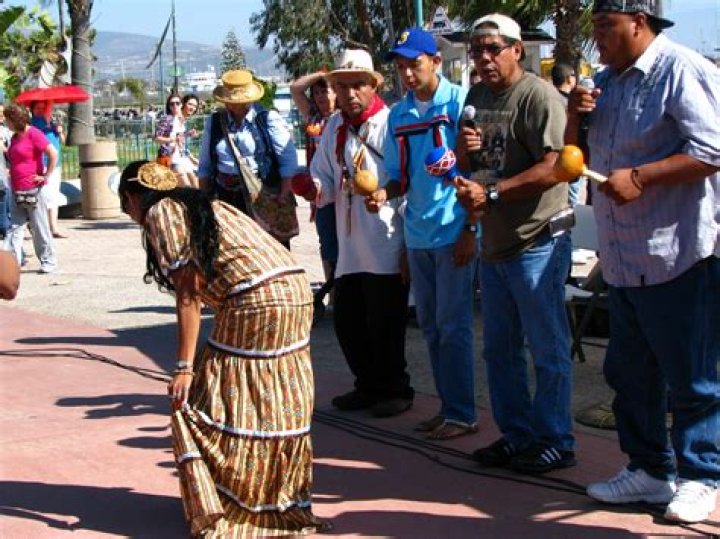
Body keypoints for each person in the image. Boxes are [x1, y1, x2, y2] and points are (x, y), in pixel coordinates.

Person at [117, 160, 329, 537]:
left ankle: (237, 504)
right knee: (272, 401)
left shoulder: (162, 212)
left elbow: (188, 293)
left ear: (133, 198)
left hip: (256, 300)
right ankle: (275, 502)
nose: (130, 215)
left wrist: (183, 368)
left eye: (126, 206)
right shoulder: (204, 204)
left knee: (200, 398)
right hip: (296, 292)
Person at [566, 0, 719, 523]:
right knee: (629, 372)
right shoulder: (606, 83)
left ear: (639, 22)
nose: (597, 39)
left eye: (605, 27)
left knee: (691, 377)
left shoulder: (681, 69)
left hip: (678, 251)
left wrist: (642, 177)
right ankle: (651, 470)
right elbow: (576, 160)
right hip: (622, 255)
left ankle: (702, 475)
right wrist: (575, 115)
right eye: (594, 28)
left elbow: (712, 149)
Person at [454, 14, 575, 472]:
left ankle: (556, 440)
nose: (483, 58)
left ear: (517, 50)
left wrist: (492, 194)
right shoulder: (476, 97)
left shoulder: (538, 96)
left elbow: (556, 167)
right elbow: (471, 165)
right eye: (476, 50)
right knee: (500, 351)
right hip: (496, 242)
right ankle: (517, 434)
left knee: (547, 349)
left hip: (537, 241)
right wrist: (465, 151)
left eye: (493, 48)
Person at [367, 27, 478, 439]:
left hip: (453, 229)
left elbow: (478, 171)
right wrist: (382, 193)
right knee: (430, 327)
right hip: (417, 234)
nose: (408, 75)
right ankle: (449, 408)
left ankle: (463, 413)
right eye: (400, 68)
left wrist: (470, 229)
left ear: (436, 61)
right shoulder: (399, 116)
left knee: (454, 327)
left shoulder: (461, 103)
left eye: (414, 64)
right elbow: (400, 177)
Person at [305, 49, 414, 418]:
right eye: (342, 86)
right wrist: (311, 187)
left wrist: (407, 244)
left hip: (387, 239)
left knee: (385, 321)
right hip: (350, 241)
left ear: (372, 86)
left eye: (357, 85)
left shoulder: (391, 122)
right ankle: (367, 385)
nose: (349, 93)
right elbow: (324, 176)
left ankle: (395, 388)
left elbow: (407, 180)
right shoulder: (335, 126)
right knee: (348, 319)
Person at [197, 70, 300, 249]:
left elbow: (288, 160)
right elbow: (205, 165)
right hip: (226, 196)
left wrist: (284, 193)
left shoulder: (267, 119)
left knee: (268, 246)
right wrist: (203, 199)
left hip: (263, 195)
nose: (231, 103)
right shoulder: (214, 123)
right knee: (232, 248)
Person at [290, 71, 339, 310]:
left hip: (343, 189)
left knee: (348, 242)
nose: (320, 96)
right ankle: (333, 294)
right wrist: (322, 74)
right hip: (319, 191)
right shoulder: (313, 117)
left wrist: (332, 78)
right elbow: (295, 89)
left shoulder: (343, 116)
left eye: (325, 90)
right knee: (327, 242)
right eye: (317, 92)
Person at [3, 104, 58, 274]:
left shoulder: (34, 133)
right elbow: (14, 158)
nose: (6, 122)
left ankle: (48, 261)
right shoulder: (14, 137)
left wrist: (45, 175)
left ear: (15, 120)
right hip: (16, 188)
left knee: (39, 226)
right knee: (15, 228)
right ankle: (12, 264)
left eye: (8, 119)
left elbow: (52, 153)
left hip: (33, 189)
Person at [30, 100, 67, 238]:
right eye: (37, 108)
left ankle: (54, 227)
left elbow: (62, 141)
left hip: (55, 163)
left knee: (54, 195)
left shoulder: (51, 123)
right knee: (45, 196)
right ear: (33, 110)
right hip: (43, 163)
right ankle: (43, 226)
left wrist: (60, 131)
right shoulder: (35, 124)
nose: (41, 110)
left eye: (43, 108)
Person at [154, 93, 198, 188]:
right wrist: (172, 139)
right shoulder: (167, 119)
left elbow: (179, 138)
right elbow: (156, 138)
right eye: (171, 104)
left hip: (182, 157)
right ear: (169, 106)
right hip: (171, 158)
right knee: (187, 187)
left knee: (196, 185)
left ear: (181, 104)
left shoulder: (182, 119)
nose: (175, 106)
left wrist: (188, 134)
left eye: (177, 103)